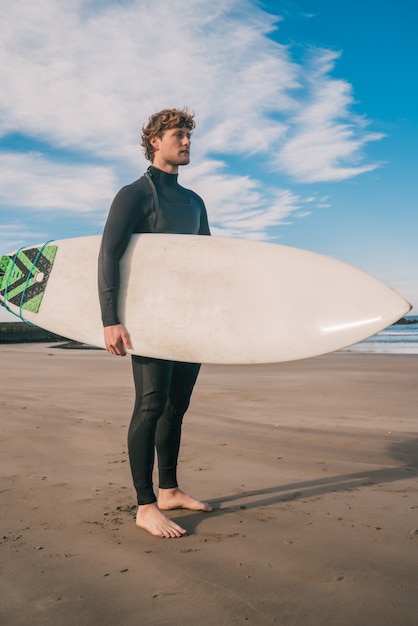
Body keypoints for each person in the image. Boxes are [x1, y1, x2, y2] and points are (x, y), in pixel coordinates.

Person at [98, 108, 213, 538]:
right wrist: (111, 319)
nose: (186, 142)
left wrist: (212, 320)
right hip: (148, 318)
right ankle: (145, 505)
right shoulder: (134, 194)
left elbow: (206, 263)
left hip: (188, 321)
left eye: (188, 135)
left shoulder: (195, 202)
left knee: (175, 407)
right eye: (178, 135)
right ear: (154, 142)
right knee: (149, 406)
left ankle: (169, 490)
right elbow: (108, 255)